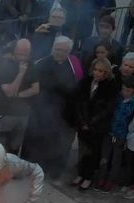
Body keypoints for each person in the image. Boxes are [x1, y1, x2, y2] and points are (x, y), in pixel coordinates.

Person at [29, 35, 80, 180]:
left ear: (69, 51)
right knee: (43, 140)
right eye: (58, 49)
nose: (60, 53)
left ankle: (56, 168)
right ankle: (40, 167)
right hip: (43, 109)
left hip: (64, 111)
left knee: (60, 142)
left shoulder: (74, 65)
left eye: (64, 51)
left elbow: (76, 87)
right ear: (53, 48)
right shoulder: (42, 64)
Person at [72, 57, 118, 190]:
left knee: (92, 153)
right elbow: (79, 102)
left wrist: (91, 123)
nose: (97, 73)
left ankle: (88, 177)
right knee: (82, 151)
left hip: (97, 127)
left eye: (101, 71)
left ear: (106, 72)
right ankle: (80, 174)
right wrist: (82, 121)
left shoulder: (111, 86)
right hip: (82, 124)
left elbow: (108, 109)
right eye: (96, 70)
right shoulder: (86, 81)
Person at [94, 75, 134, 193]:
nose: (125, 92)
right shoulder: (117, 97)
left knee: (116, 160)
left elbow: (133, 123)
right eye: (123, 89)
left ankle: (110, 181)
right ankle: (101, 178)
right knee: (104, 157)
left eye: (128, 91)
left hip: (121, 135)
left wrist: (127, 138)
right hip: (109, 132)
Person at [0, 38, 39, 154]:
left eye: (26, 53)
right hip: (6, 114)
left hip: (23, 115)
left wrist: (18, 95)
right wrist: (21, 73)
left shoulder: (31, 66)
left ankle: (11, 171)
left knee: (14, 148)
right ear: (15, 51)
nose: (23, 56)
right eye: (20, 53)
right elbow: (9, 92)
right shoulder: (5, 66)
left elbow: (35, 89)